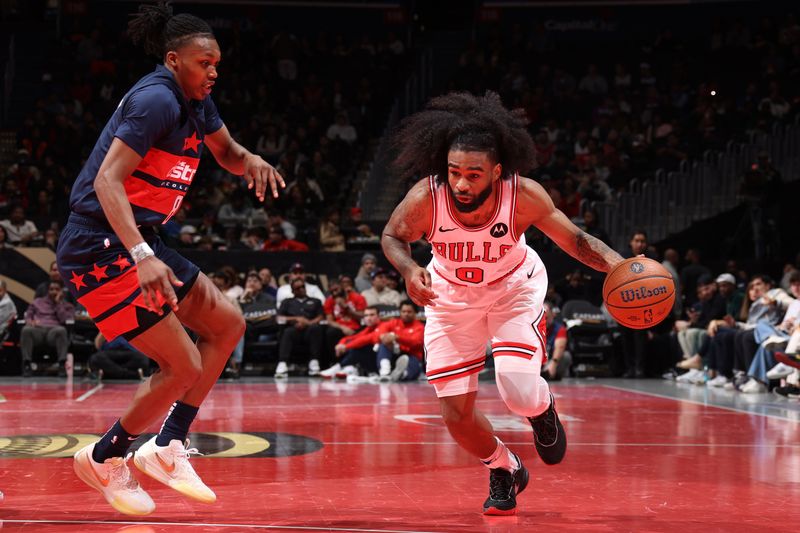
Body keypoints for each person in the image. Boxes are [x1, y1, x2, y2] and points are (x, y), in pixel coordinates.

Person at [55, 2, 284, 516]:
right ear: (174, 59)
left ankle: (167, 444)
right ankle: (105, 457)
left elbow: (226, 153)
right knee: (183, 365)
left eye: (218, 64)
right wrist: (140, 254)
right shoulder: (156, 100)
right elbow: (105, 181)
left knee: (227, 324)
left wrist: (252, 161)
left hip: (142, 238)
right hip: (100, 243)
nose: (214, 73)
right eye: (206, 64)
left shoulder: (196, 99)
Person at [381, 92, 623, 515]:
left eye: (473, 175)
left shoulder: (523, 196)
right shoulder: (428, 196)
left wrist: (622, 266)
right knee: (456, 416)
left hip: (513, 289)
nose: (460, 183)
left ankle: (542, 409)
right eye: (454, 171)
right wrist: (407, 270)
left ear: (496, 171)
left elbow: (576, 241)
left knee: (518, 391)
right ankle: (504, 466)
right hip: (450, 297)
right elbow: (392, 235)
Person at [21, 280, 75, 377]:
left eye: (57, 289)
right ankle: (27, 364)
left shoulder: (67, 306)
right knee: (26, 330)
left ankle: (62, 365)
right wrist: (30, 321)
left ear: (61, 291)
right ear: (47, 291)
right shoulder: (37, 302)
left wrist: (58, 304)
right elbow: (27, 315)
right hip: (38, 330)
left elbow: (65, 320)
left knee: (61, 330)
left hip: (53, 331)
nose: (54, 292)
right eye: (51, 289)